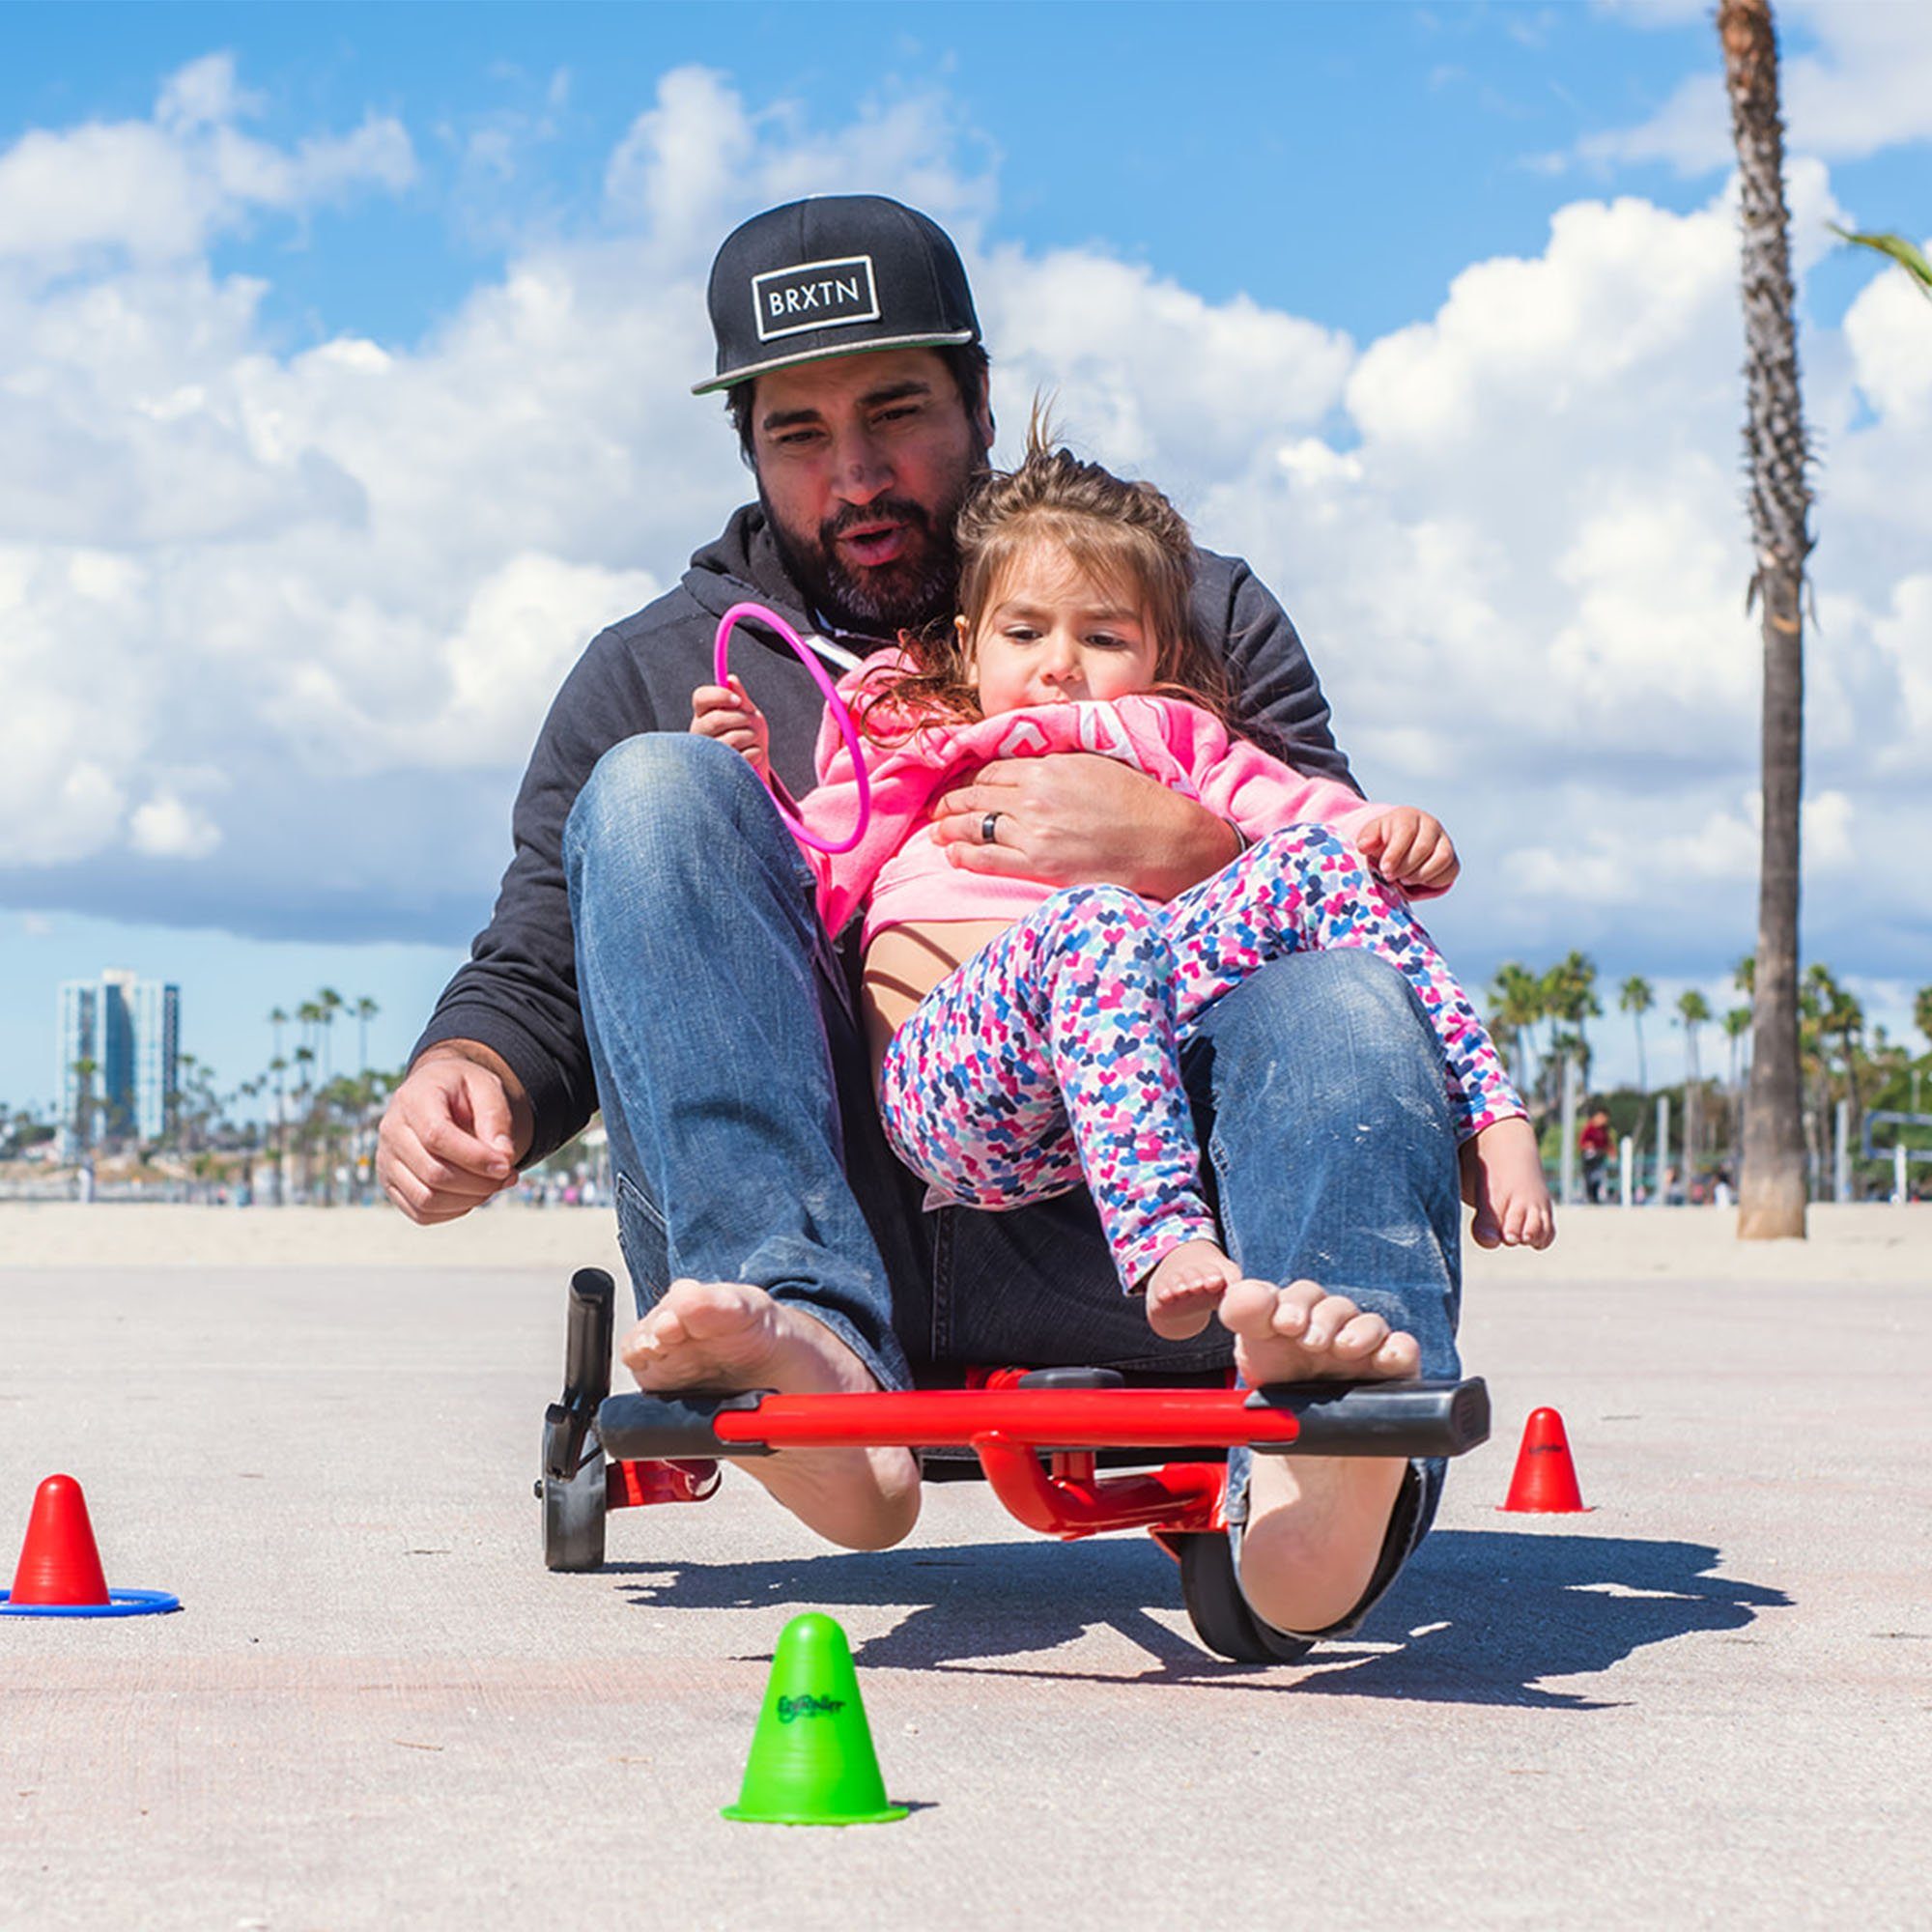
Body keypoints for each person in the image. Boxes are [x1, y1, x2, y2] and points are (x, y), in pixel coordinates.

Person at [379, 194, 1484, 1639]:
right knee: (658, 792)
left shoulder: (1184, 610)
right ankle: (802, 1346)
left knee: (1338, 993)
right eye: (800, 435)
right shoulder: (659, 666)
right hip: (834, 1224)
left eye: (895, 413)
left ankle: (1331, 1447)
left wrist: (1184, 840)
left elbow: (1353, 900)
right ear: (748, 448)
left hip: (1150, 1252)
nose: (856, 475)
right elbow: (543, 957)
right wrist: (477, 1068)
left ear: (974, 397)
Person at [691, 423, 1551, 1341]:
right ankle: (1161, 1238)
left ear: (1155, 657)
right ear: (971, 646)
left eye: (1101, 635)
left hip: (1119, 1073)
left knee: (1317, 865)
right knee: (1094, 922)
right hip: (955, 1083)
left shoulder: (1176, 741)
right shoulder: (917, 736)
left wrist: (1384, 836)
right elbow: (817, 874)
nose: (1060, 662)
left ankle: (1486, 1113)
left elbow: (1297, 815)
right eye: (1025, 632)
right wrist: (759, 785)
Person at [1578, 1105, 1612, 1204]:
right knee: (1589, 1177)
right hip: (1589, 1158)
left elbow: (1608, 1142)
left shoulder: (1604, 1130)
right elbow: (1582, 1142)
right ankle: (1590, 1197)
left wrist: (1610, 1152)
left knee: (1598, 1177)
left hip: (1599, 1157)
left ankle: (1595, 1197)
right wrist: (1588, 1146)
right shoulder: (1589, 1128)